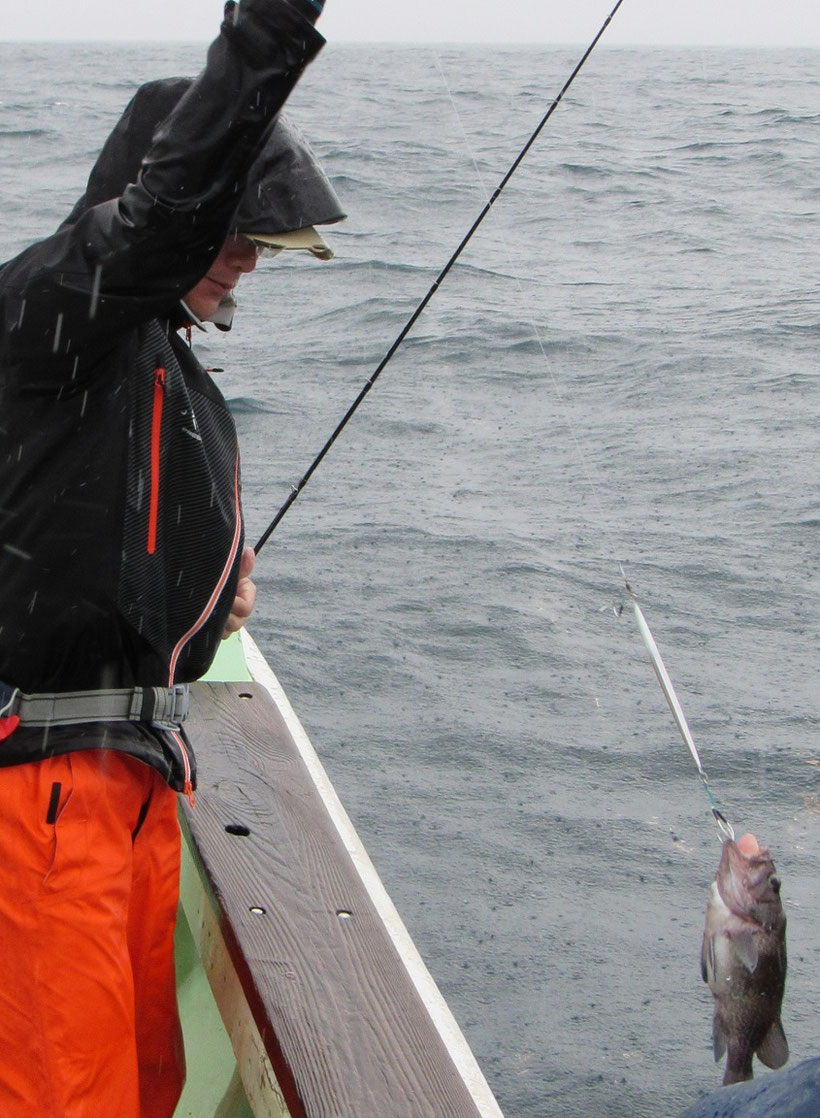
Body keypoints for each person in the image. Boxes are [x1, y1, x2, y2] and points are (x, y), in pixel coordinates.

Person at [0, 1, 344, 1114]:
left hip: (137, 789)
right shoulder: (59, 306)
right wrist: (270, 32)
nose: (246, 255)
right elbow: (157, 220)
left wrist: (211, 595)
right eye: (233, 227)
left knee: (151, 1088)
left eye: (260, 237)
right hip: (45, 802)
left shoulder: (159, 363)